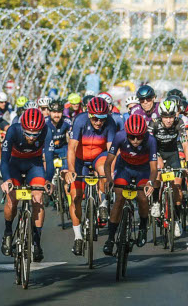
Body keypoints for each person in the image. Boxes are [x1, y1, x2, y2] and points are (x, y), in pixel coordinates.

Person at [64, 96, 118, 256]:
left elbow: (111, 152)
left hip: (98, 156)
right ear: (89, 114)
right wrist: (71, 170)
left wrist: (110, 177)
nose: (98, 122)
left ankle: (103, 203)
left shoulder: (111, 123)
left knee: (104, 171)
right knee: (76, 197)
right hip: (80, 158)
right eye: (95, 118)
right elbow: (72, 148)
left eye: (102, 119)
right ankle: (78, 237)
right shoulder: (80, 120)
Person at [0, 108, 50, 262]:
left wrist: (48, 180)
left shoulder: (47, 131)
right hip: (14, 165)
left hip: (34, 165)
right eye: (28, 133)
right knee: (12, 200)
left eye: (36, 134)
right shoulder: (13, 130)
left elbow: (50, 158)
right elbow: (4, 160)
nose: (32, 137)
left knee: (38, 198)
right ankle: (8, 233)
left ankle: (36, 242)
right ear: (22, 128)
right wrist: (6, 180)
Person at [107, 114, 158, 251]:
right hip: (124, 168)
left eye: (139, 137)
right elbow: (108, 162)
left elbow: (154, 168)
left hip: (143, 170)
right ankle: (110, 238)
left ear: (144, 134)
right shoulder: (119, 136)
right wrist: (109, 179)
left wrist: (150, 183)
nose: (135, 140)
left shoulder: (151, 140)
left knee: (142, 197)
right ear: (126, 134)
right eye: (132, 137)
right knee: (119, 198)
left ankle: (142, 228)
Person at [149, 99, 188, 236]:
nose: (168, 120)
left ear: (175, 115)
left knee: (177, 186)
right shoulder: (154, 124)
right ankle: (156, 202)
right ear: (160, 116)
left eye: (171, 116)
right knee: (158, 169)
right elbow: (148, 143)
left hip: (173, 154)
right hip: (157, 152)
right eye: (165, 117)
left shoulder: (179, 123)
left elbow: (185, 144)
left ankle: (175, 220)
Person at [44, 101, 72, 185]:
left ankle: (66, 196)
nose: (56, 115)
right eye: (54, 112)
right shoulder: (44, 122)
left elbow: (72, 137)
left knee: (66, 175)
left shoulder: (67, 121)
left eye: (59, 112)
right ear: (49, 112)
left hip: (62, 148)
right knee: (46, 170)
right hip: (47, 148)